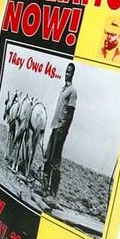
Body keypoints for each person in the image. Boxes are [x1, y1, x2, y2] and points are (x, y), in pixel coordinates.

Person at [41, 62, 77, 207]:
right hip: (54, 127)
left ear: (72, 74)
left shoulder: (73, 92)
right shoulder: (64, 89)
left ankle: (53, 195)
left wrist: (64, 131)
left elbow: (70, 114)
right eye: (66, 71)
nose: (66, 74)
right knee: (47, 157)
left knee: (55, 162)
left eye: (69, 72)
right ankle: (44, 190)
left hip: (60, 130)